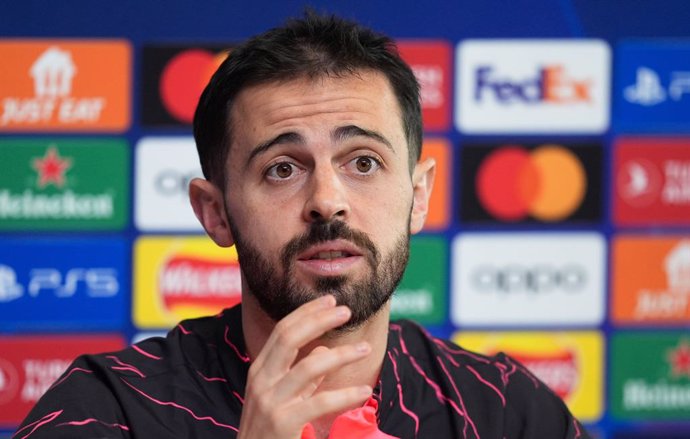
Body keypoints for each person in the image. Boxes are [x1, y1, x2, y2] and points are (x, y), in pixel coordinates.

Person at [15, 12, 591, 439]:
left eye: (363, 162)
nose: (327, 201)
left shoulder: (508, 411)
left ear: (419, 197)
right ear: (214, 212)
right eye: (282, 168)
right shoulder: (108, 409)